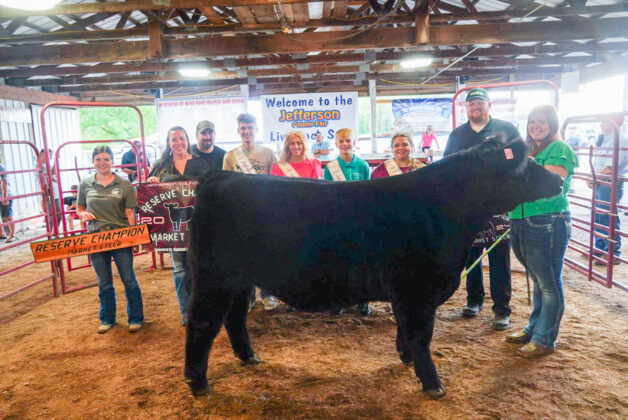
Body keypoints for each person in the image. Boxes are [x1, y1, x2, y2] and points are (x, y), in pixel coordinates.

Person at [443, 87, 520, 330]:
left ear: (489, 105)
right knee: (471, 255)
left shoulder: (506, 130)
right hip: (467, 206)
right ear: (466, 108)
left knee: (499, 257)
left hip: (498, 205)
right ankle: (474, 300)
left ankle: (501, 308)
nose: (476, 107)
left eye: (480, 102)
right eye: (472, 103)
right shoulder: (457, 135)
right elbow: (447, 166)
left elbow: (517, 158)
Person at [506, 105, 578, 357]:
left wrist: (522, 164)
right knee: (538, 279)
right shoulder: (528, 149)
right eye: (532, 122)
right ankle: (534, 328)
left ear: (552, 124)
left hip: (547, 219)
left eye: (542, 122)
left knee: (548, 283)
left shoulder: (560, 149)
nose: (535, 126)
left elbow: (550, 183)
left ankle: (545, 339)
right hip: (520, 218)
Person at [77, 146, 144, 334]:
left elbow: (130, 212)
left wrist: (133, 238)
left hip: (120, 237)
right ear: (93, 162)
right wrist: (83, 215)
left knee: (128, 279)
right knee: (104, 282)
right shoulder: (85, 184)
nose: (102, 163)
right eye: (98, 159)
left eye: (106, 159)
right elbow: (80, 208)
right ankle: (107, 319)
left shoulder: (124, 184)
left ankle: (136, 318)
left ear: (112, 161)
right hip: (95, 238)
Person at [147, 126, 209, 326]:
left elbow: (210, 189)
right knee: (180, 269)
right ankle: (186, 312)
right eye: (174, 139)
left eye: (181, 138)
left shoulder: (199, 163)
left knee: (197, 268)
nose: (178, 142)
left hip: (198, 224)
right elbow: (148, 193)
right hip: (172, 227)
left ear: (187, 140)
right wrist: (152, 182)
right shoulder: (161, 166)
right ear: (168, 143)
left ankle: (200, 309)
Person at [223, 114, 278, 312]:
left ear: (256, 129)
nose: (247, 131)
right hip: (240, 213)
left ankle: (268, 294)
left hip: (264, 211)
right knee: (243, 256)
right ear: (238, 131)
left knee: (266, 254)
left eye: (250, 128)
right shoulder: (230, 156)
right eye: (243, 128)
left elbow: (276, 181)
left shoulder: (268, 154)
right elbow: (226, 185)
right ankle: (248, 296)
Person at [323, 128, 371, 316]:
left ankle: (363, 300)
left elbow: (367, 194)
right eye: (341, 141)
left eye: (348, 140)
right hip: (338, 221)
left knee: (362, 261)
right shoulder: (330, 168)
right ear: (336, 144)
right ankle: (338, 299)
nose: (345, 144)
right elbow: (327, 195)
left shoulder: (363, 166)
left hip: (359, 220)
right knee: (338, 262)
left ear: (354, 142)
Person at [590, 115, 628, 265]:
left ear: (613, 122)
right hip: (601, 180)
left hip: (609, 181)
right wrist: (593, 178)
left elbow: (610, 167)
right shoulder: (606, 138)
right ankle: (600, 248)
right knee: (598, 215)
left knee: (608, 215)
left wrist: (594, 178)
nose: (601, 125)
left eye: (604, 122)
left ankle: (612, 252)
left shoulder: (620, 139)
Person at [38, 148, 62, 231]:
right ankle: (51, 233)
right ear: (42, 154)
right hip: (47, 191)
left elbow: (53, 173)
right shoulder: (39, 165)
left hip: (54, 192)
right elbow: (52, 173)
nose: (50, 157)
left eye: (51, 155)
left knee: (59, 214)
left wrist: (55, 160)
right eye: (49, 154)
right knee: (51, 215)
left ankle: (55, 232)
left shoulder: (47, 165)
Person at [0, 160, 16, 242]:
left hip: (4, 194)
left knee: (8, 215)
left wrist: (5, 197)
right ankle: (2, 233)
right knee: (4, 216)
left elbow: (4, 183)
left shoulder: (1, 167)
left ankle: (12, 235)